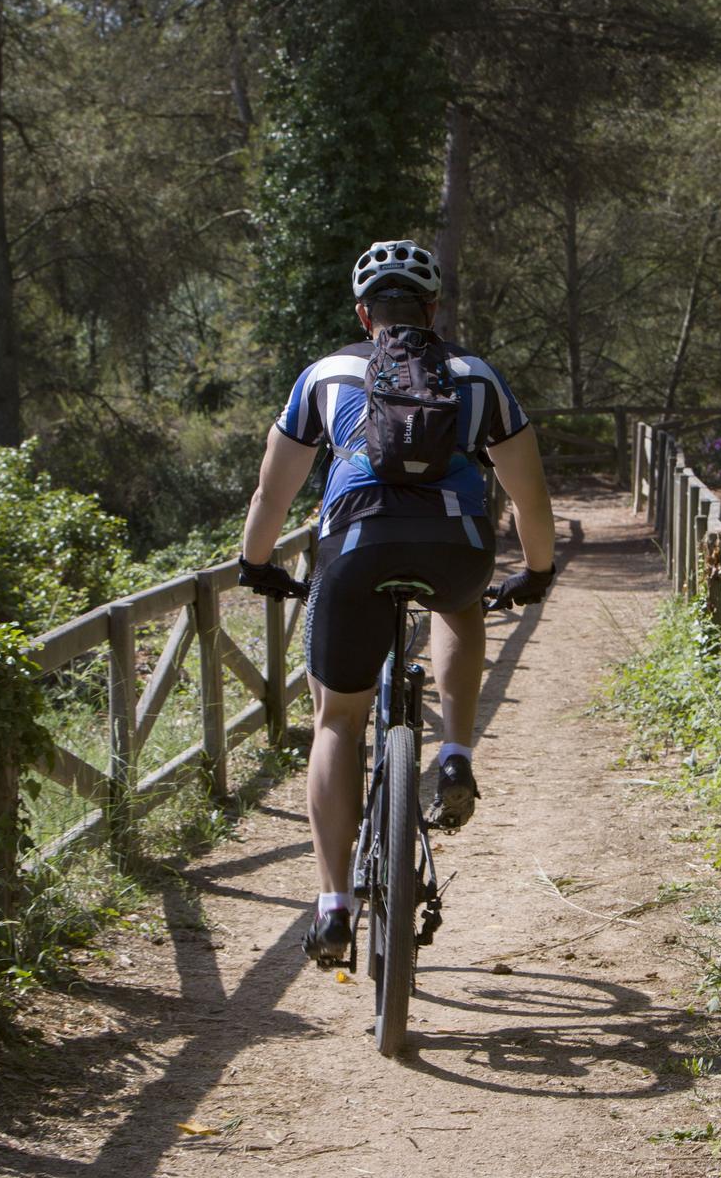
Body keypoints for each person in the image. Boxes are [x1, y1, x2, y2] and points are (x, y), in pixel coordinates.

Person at [236, 238, 557, 962]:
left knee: (337, 722)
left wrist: (256, 563)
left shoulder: (324, 374)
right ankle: (453, 751)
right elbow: (530, 495)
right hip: (458, 547)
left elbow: (272, 492)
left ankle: (332, 903)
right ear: (433, 309)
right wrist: (537, 572)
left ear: (362, 312)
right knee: (460, 603)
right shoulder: (478, 379)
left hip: (353, 550)